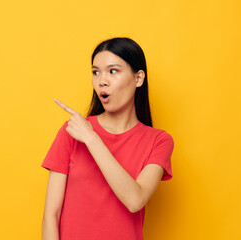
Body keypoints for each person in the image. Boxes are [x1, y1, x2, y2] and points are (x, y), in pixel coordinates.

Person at [41, 37, 174, 240]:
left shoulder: (159, 141)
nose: (102, 81)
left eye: (113, 71)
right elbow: (51, 215)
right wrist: (86, 133)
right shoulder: (72, 132)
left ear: (138, 79)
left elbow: (135, 200)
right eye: (96, 72)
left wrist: (91, 139)